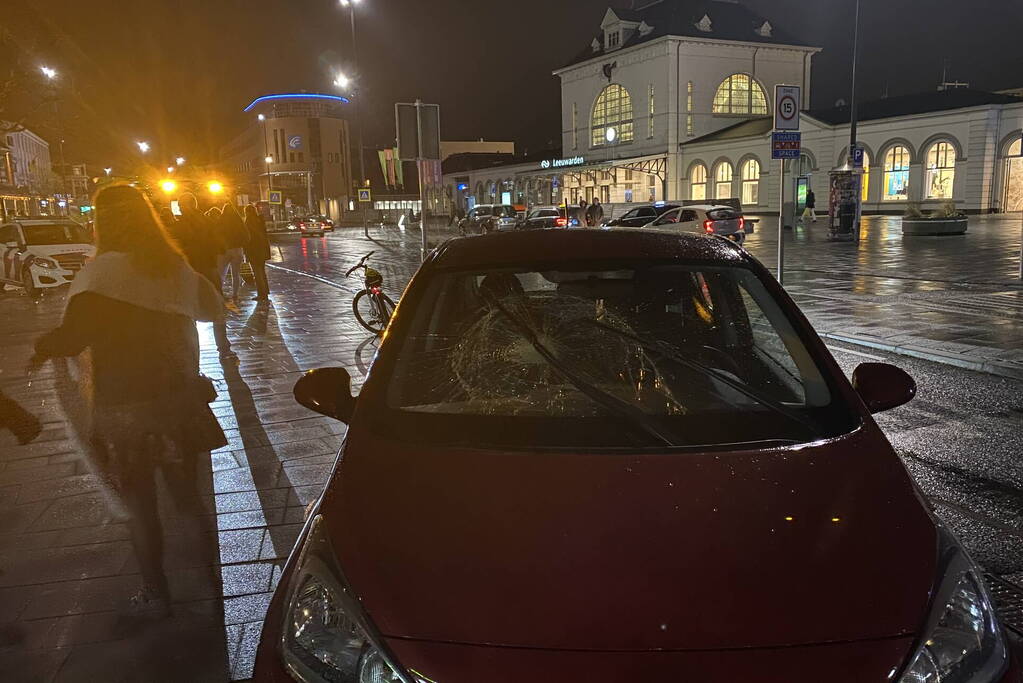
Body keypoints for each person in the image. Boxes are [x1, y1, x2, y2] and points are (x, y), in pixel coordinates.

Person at [30, 183, 227, 614]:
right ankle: (213, 584)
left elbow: (72, 337)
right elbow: (213, 306)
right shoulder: (169, 266)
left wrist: (43, 346)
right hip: (177, 403)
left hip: (125, 408)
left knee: (141, 505)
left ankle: (157, 593)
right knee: (187, 499)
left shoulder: (99, 274)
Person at [174, 194, 234, 358]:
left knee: (189, 312)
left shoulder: (178, 226)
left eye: (180, 205)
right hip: (209, 269)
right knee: (216, 307)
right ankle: (223, 348)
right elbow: (220, 245)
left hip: (189, 272)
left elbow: (176, 250)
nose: (178, 208)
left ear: (185, 206)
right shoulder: (208, 222)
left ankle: (193, 352)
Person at [217, 203, 249, 303]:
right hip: (237, 250)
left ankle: (219, 292)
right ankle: (235, 294)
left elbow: (217, 234)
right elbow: (247, 236)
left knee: (221, 273)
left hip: (225, 250)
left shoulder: (221, 220)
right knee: (236, 274)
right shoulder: (239, 221)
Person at [243, 205, 271, 301]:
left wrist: (246, 249)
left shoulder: (249, 222)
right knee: (262, 272)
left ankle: (261, 294)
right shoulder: (259, 220)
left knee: (257, 273)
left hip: (254, 251)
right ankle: (265, 292)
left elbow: (248, 238)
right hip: (262, 250)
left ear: (247, 212)